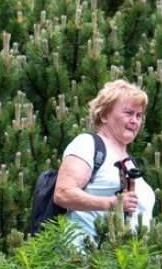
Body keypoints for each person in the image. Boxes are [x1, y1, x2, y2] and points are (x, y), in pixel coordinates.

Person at [53, 79, 155, 248]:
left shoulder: (130, 162)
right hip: (86, 260)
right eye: (128, 113)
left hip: (124, 266)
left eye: (139, 115)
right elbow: (63, 193)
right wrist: (111, 203)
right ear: (103, 115)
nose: (134, 121)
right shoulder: (87, 144)